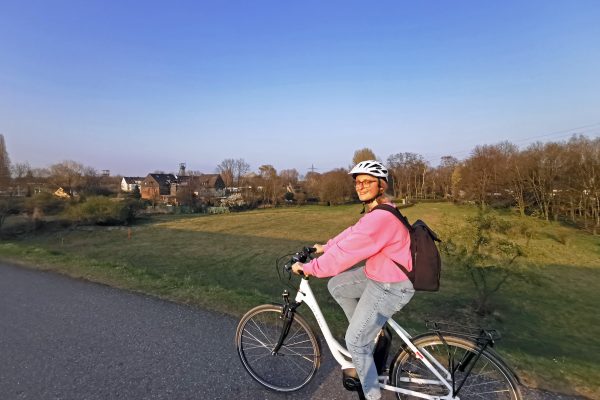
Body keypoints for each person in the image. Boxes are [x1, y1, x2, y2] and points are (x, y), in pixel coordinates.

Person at [292, 160, 414, 400]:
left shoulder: (381, 218)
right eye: (358, 182)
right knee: (337, 285)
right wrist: (325, 247)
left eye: (367, 181)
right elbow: (352, 233)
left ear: (382, 185)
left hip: (391, 285)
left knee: (355, 341)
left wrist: (310, 268)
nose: (361, 186)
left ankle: (371, 395)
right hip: (381, 274)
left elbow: (346, 254)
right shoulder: (380, 210)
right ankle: (373, 333)